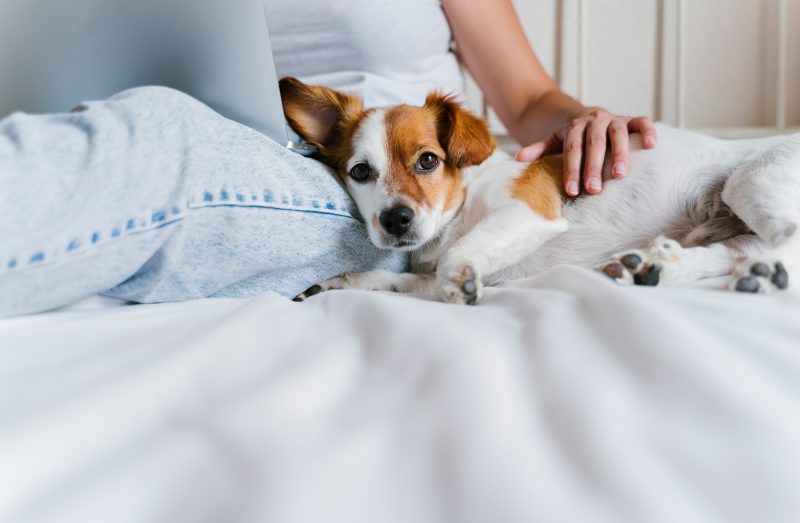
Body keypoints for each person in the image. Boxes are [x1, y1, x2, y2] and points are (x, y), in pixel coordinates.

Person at [0, 0, 657, 317]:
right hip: (238, 166)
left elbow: (529, 97)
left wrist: (584, 123)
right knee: (133, 139)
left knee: (159, 139)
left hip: (370, 198)